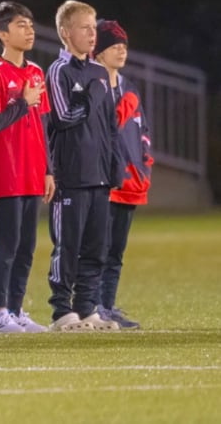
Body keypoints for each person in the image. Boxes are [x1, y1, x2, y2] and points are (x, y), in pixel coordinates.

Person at [45, 1, 122, 333]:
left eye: (94, 28)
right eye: (85, 28)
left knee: (96, 247)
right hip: (71, 177)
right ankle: (62, 311)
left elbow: (109, 125)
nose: (93, 34)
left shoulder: (98, 72)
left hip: (99, 176)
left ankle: (87, 308)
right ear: (66, 33)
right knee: (68, 245)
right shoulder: (58, 71)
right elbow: (62, 119)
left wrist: (115, 162)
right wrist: (89, 97)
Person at [0, 1, 53, 334]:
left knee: (27, 245)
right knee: (6, 243)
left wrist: (49, 169)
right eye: (21, 25)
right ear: (2, 34)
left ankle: (17, 310)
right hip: (7, 170)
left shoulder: (35, 71)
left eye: (31, 24)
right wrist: (23, 101)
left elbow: (43, 123)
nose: (30, 30)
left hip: (33, 169)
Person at [94, 20, 148, 330]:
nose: (121, 49)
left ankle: (108, 305)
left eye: (124, 45)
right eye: (114, 44)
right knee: (97, 249)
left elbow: (143, 131)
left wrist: (144, 164)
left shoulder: (129, 87)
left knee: (115, 251)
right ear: (99, 51)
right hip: (102, 180)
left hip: (129, 182)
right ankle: (93, 306)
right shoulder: (92, 82)